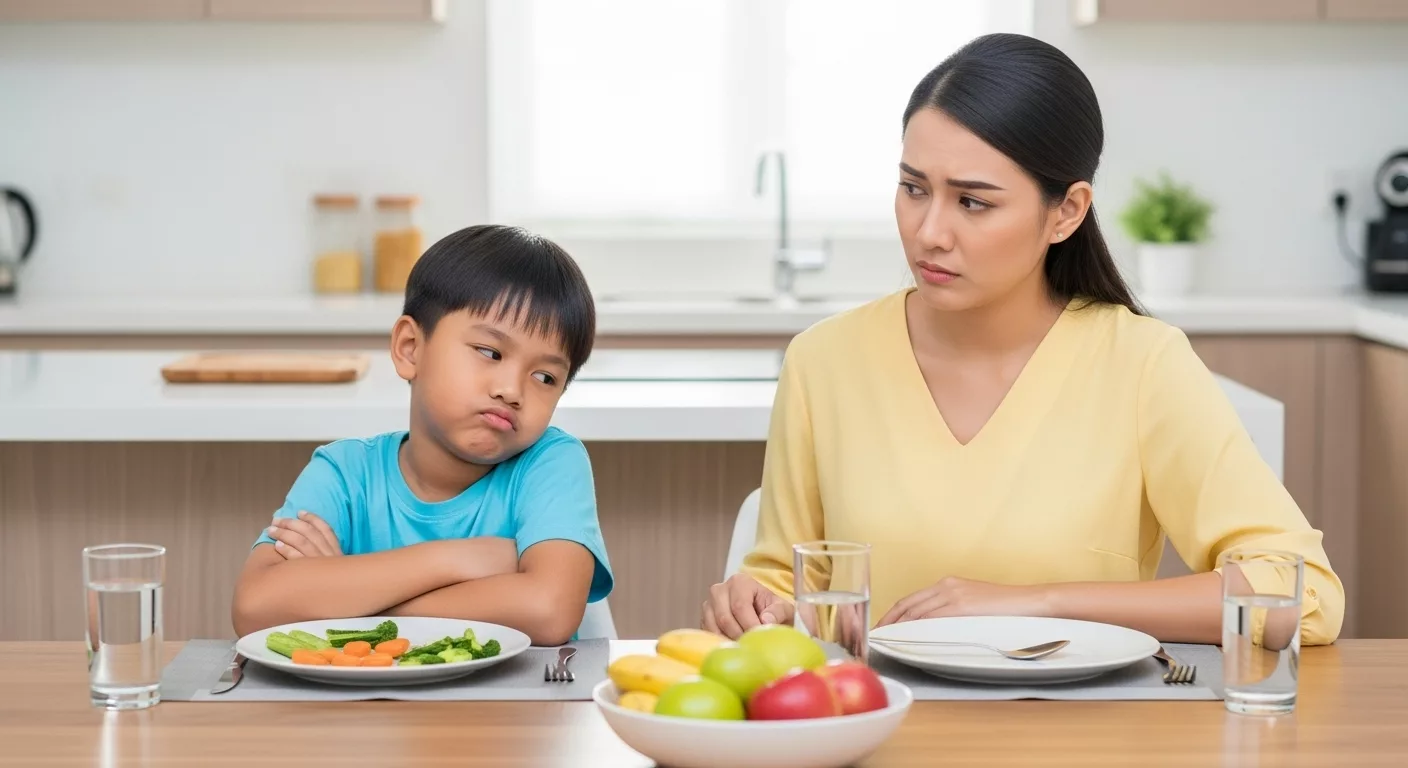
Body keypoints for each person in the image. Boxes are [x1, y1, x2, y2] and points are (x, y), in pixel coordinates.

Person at [701, 33, 1343, 646]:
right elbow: (785, 576)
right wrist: (755, 600)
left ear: (1065, 211)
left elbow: (1304, 595)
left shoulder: (1141, 363)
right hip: (876, 735)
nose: (930, 232)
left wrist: (1038, 601)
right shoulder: (824, 360)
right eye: (913, 189)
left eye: (973, 202)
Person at [232, 224, 613, 646]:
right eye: (490, 352)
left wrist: (349, 601)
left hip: (513, 710)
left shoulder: (551, 462)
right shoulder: (344, 472)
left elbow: (548, 610)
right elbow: (255, 607)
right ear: (411, 348)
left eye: (545, 376)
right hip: (364, 712)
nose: (512, 390)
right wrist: (462, 559)